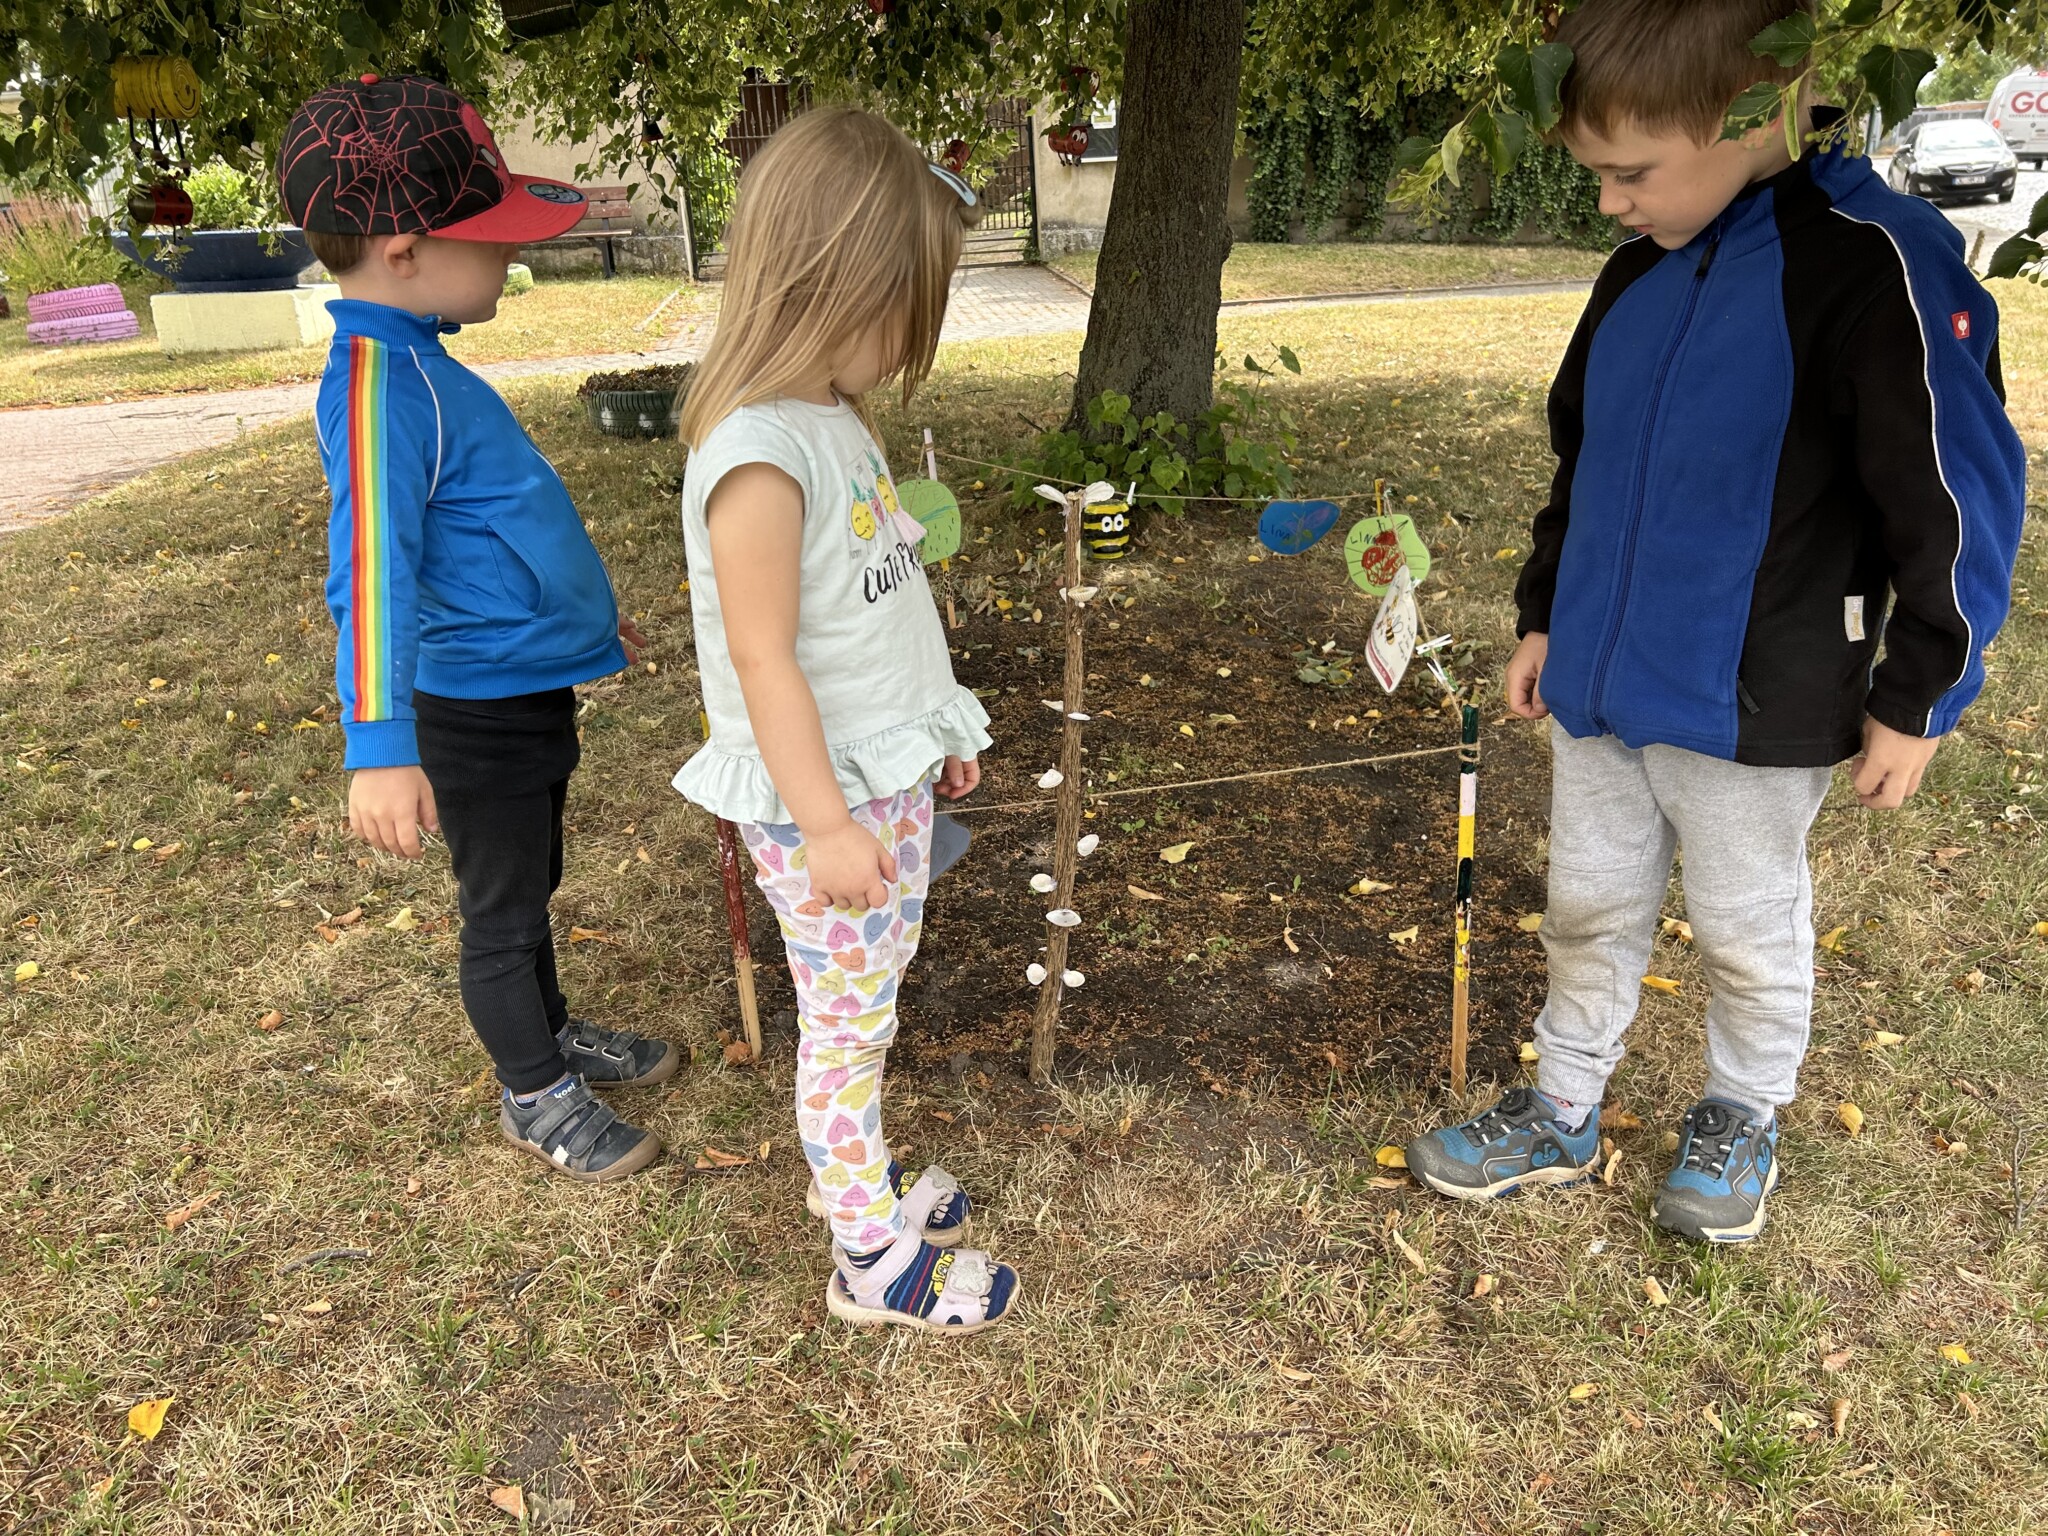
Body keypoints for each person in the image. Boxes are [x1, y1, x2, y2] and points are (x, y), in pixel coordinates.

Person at [1406, 0, 2026, 1241]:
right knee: (1585, 905)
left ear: (1753, 115)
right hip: (1600, 684)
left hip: (1757, 695)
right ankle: (1560, 1107)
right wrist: (1544, 618)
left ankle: (1740, 1111)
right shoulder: (1635, 271)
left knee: (1745, 929)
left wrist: (1918, 691)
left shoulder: (1876, 265)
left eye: (1631, 173)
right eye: (1596, 176)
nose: (1608, 203)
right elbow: (1583, 463)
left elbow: (1955, 494)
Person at [282, 75, 679, 1183]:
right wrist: (379, 745)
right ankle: (533, 1092)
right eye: (491, 238)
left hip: (523, 685)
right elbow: (373, 572)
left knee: (532, 880)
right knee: (501, 911)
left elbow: (497, 522)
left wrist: (584, 622)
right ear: (404, 250)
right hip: (472, 708)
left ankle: (548, 1036)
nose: (510, 255)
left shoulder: (423, 361)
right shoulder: (378, 389)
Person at [672, 107, 1018, 1331]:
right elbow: (762, 659)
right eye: (902, 313)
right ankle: (867, 1257)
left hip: (877, 782)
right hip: (823, 804)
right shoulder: (758, 453)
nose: (910, 343)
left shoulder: (829, 417)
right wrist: (824, 824)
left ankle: (857, 1176)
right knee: (844, 1025)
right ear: (834, 286)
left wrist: (932, 734)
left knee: (872, 997)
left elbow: (875, 614)